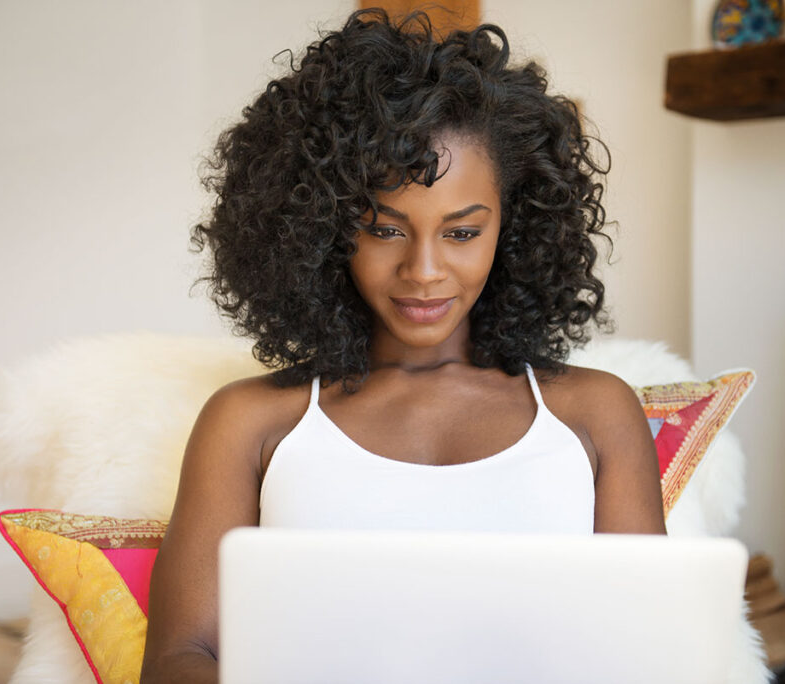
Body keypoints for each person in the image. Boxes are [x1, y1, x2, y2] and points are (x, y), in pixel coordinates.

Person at [140, 8, 666, 682]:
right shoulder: (248, 422)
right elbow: (179, 659)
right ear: (325, 229)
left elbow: (649, 649)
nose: (423, 270)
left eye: (462, 232)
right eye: (386, 230)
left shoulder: (594, 415)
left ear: (516, 227)